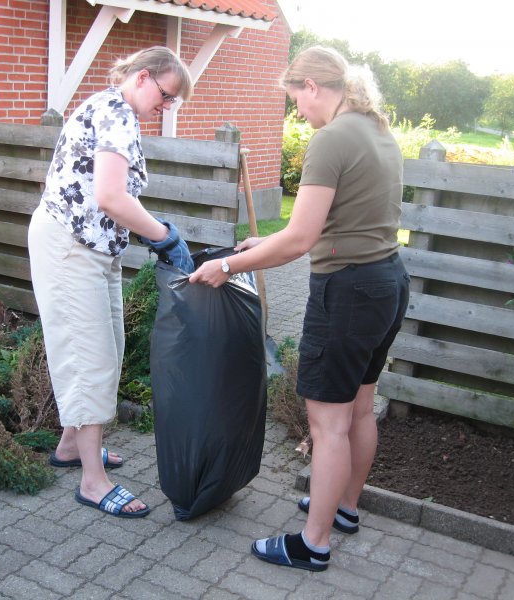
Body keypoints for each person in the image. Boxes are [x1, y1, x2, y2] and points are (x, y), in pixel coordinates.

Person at [189, 46, 410, 569]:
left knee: (327, 424)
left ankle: (313, 544)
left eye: (295, 100)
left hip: (348, 293)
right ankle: (344, 508)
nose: (298, 112)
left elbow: (301, 240)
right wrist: (259, 245)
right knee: (360, 408)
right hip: (386, 282)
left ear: (312, 86)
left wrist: (228, 267)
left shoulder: (331, 139)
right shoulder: (376, 130)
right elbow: (329, 222)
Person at [28, 46, 194, 518]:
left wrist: (154, 231)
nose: (167, 107)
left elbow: (110, 196)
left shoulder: (115, 110)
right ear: (143, 77)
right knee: (90, 357)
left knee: (109, 348)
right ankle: (93, 481)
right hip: (70, 247)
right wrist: (164, 236)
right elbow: (110, 197)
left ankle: (70, 446)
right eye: (166, 95)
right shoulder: (115, 112)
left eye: (172, 101)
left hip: (96, 249)